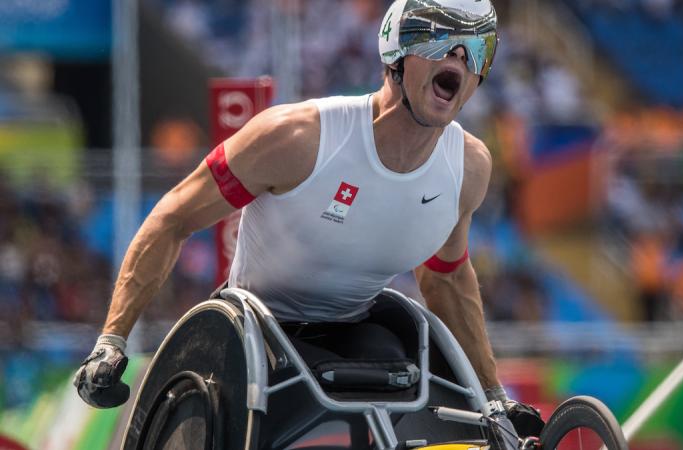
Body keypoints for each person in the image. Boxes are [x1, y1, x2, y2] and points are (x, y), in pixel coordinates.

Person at [73, 0, 543, 439]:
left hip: (358, 330)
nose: (458, 60)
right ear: (395, 52)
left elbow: (447, 277)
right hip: (256, 331)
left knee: (397, 363)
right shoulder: (297, 138)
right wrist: (112, 341)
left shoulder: (469, 167)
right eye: (439, 42)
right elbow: (173, 218)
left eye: (477, 49)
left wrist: (494, 398)